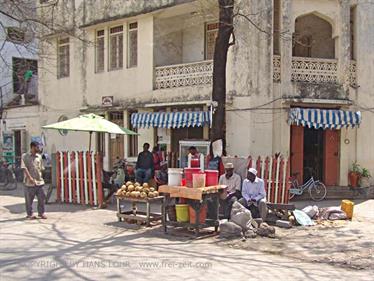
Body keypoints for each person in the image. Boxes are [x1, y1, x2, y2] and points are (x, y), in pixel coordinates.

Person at [21, 142, 47, 220]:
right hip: (29, 183)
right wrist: (30, 178)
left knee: (41, 198)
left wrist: (41, 178)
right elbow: (24, 168)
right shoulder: (25, 156)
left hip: (39, 182)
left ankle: (41, 213)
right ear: (33, 147)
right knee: (29, 200)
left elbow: (41, 168)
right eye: (37, 147)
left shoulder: (39, 157)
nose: (39, 149)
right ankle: (30, 214)